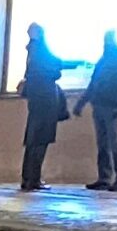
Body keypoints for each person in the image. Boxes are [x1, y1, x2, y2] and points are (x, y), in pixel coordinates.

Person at [17, 24, 77, 191]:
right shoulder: (40, 51)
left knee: (33, 141)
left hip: (36, 102)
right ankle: (33, 179)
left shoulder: (32, 51)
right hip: (45, 101)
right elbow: (54, 67)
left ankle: (28, 178)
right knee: (40, 140)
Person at [79, 29, 117, 191]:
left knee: (115, 143)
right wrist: (82, 103)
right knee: (103, 144)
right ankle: (104, 177)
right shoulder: (104, 60)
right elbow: (93, 83)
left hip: (112, 106)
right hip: (99, 106)